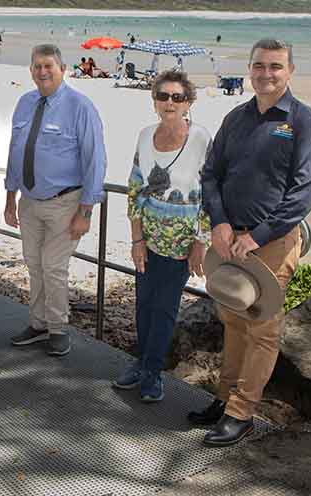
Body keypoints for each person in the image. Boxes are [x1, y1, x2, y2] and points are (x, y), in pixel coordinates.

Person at [194, 39, 311, 446]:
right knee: (232, 318)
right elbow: (211, 173)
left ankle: (242, 412)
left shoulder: (305, 123)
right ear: (249, 70)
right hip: (228, 238)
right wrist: (218, 222)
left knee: (262, 329)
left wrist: (257, 236)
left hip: (271, 242)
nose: (266, 74)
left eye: (275, 67)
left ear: (290, 71)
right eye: (259, 66)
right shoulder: (236, 118)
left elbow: (305, 191)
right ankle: (224, 399)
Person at [114, 70, 211, 401]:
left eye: (177, 97)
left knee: (165, 307)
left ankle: (153, 372)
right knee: (143, 303)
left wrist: (201, 241)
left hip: (181, 244)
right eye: (164, 96)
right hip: (148, 239)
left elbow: (211, 193)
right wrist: (136, 239)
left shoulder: (200, 139)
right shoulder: (144, 136)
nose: (170, 102)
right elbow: (135, 189)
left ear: (189, 102)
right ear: (154, 100)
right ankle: (140, 362)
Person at [4, 44, 107, 356]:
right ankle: (38, 324)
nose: (42, 71)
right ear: (31, 70)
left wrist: (85, 212)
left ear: (63, 69)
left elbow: (95, 161)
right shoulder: (25, 103)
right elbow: (15, 152)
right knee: (34, 264)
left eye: (49, 65)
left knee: (53, 266)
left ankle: (58, 328)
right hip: (29, 201)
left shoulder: (81, 107)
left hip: (65, 203)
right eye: (37, 66)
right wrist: (10, 196)